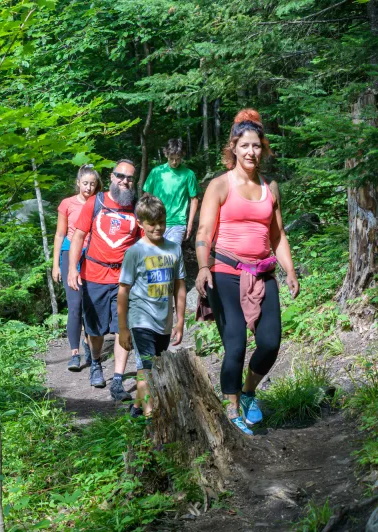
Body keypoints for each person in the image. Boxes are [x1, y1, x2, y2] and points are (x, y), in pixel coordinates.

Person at [194, 109, 300, 436]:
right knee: (236, 345)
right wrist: (201, 267)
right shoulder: (220, 185)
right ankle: (232, 409)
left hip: (263, 273)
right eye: (245, 146)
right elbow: (204, 230)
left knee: (269, 343)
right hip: (224, 271)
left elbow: (277, 235)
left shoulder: (271, 187)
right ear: (234, 148)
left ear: (262, 148)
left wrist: (290, 270)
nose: (251, 152)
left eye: (256, 146)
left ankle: (250, 391)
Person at [67, 160, 139, 401]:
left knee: (123, 329)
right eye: (120, 176)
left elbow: (144, 242)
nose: (125, 181)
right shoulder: (95, 202)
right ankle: (96, 361)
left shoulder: (136, 207)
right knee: (95, 330)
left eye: (129, 178)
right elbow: (78, 236)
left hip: (124, 279)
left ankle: (117, 379)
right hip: (94, 276)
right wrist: (72, 269)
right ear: (111, 177)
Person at [117, 194, 187, 418]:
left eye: (162, 223)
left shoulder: (174, 249)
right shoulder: (135, 252)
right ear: (140, 224)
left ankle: (136, 409)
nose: (158, 228)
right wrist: (123, 329)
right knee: (145, 369)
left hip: (164, 321)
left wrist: (180, 321)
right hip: (141, 319)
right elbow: (123, 291)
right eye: (152, 224)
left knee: (154, 367)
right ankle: (151, 419)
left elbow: (179, 286)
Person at [52, 164, 101, 371]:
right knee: (74, 305)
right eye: (85, 183)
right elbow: (60, 234)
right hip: (69, 254)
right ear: (78, 183)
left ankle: (90, 346)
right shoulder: (67, 204)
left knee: (91, 304)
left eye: (92, 184)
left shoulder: (100, 203)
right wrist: (55, 265)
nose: (88, 187)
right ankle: (74, 353)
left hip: (93, 256)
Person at [142, 139, 199, 244]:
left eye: (178, 159)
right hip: (155, 221)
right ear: (165, 154)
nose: (174, 162)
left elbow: (194, 199)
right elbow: (146, 196)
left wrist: (190, 223)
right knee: (156, 256)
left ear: (182, 155)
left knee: (171, 256)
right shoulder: (156, 172)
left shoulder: (188, 174)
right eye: (171, 158)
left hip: (177, 223)